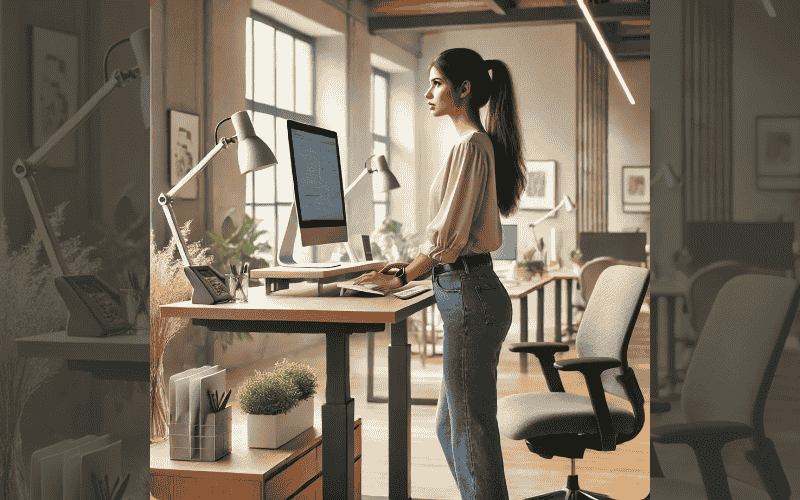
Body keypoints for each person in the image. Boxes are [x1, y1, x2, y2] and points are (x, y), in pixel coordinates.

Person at [354, 48, 526, 499]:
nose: (428, 92)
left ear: (463, 89)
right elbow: (448, 236)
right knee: (453, 427)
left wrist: (403, 275)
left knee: (469, 432)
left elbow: (448, 238)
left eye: (436, 82)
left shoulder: (470, 146)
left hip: (468, 292)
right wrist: (407, 267)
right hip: (467, 289)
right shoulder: (471, 144)